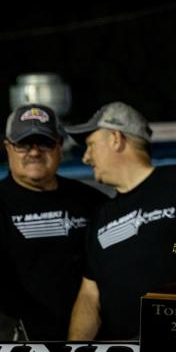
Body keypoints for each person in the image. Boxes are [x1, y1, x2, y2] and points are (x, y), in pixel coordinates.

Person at [65, 101, 176, 340]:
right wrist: (74, 347)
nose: (86, 158)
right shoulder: (101, 214)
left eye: (90, 145)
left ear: (116, 138)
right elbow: (89, 294)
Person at [0, 104, 107, 340]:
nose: (35, 152)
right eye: (24, 143)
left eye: (45, 143)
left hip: (93, 340)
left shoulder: (92, 201)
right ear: (8, 148)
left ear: (60, 147)